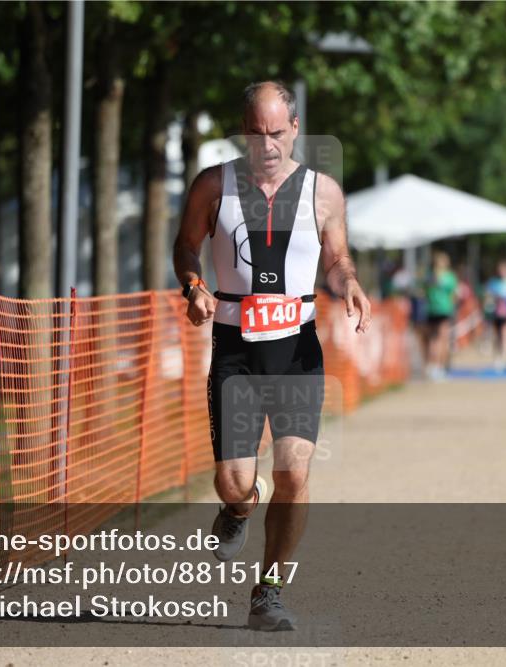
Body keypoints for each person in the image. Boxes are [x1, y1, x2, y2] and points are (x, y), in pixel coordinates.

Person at [172, 81, 371, 631]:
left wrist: (349, 283)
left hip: (296, 349)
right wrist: (193, 286)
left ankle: (271, 591)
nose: (267, 144)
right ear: (244, 130)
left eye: (277, 132)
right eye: (256, 133)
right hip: (235, 348)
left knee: (295, 470)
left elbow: (337, 259)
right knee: (234, 482)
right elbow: (186, 245)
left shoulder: (323, 192)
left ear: (295, 128)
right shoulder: (213, 186)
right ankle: (240, 506)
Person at [420, 251, 458, 381]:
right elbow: (453, 295)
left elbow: (423, 292)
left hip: (431, 310)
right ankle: (439, 367)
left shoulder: (429, 276)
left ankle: (431, 366)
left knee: (433, 340)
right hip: (444, 310)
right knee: (443, 340)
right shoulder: (449, 277)